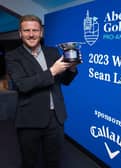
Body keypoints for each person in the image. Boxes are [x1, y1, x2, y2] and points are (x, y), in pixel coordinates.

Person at [5, 14, 79, 168]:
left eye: (35, 30)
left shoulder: (52, 52)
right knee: (29, 162)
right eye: (26, 31)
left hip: (56, 118)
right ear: (20, 33)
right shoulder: (12, 56)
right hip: (29, 119)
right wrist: (52, 71)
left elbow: (64, 81)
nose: (31, 34)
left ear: (41, 32)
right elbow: (22, 85)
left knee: (53, 161)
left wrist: (71, 68)